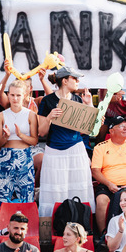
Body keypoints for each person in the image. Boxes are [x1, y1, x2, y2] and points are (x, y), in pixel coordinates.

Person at [37, 66, 94, 217]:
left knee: (78, 188)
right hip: (54, 150)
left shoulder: (78, 99)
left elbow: (87, 130)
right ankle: (54, 224)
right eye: (74, 79)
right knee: (55, 189)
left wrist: (89, 105)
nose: (78, 82)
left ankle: (80, 221)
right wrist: (49, 117)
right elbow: (41, 132)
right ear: (65, 80)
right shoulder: (48, 101)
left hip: (76, 149)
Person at [0, 80, 38, 234]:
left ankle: (26, 233)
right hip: (6, 157)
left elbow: (34, 140)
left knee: (26, 196)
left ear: (24, 95)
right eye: (12, 95)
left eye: (18, 95)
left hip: (24, 157)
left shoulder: (31, 115)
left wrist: (20, 135)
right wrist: (6, 137)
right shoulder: (1, 115)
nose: (15, 98)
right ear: (8, 95)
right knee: (1, 196)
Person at [92, 114, 126, 231]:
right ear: (111, 131)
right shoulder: (100, 147)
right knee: (101, 200)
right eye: (121, 126)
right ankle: (104, 234)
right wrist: (109, 184)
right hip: (107, 186)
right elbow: (95, 171)